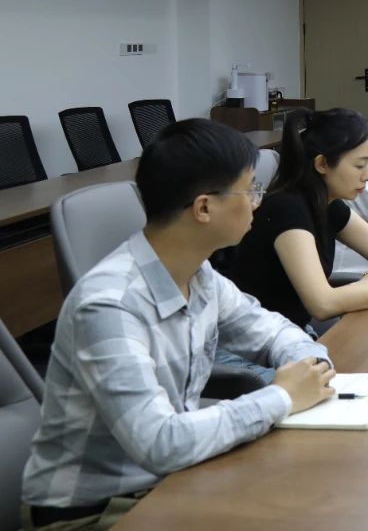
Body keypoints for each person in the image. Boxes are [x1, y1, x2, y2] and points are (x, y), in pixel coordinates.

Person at [22, 120, 335, 529]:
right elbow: (159, 443)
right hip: (97, 512)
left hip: (172, 480)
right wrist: (281, 397)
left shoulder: (199, 276)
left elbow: (273, 331)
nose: (258, 202)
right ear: (204, 208)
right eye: (250, 190)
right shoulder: (109, 306)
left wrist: (310, 365)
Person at [226, 106, 368, 339]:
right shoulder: (287, 210)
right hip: (257, 344)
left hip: (291, 335)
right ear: (322, 164)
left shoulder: (329, 204)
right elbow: (322, 305)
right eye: (359, 165)